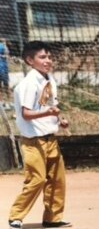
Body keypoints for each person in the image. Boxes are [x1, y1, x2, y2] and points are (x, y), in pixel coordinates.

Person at [8, 41, 71, 229]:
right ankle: (15, 216)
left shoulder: (48, 80)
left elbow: (48, 106)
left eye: (49, 57)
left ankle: (52, 219)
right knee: (36, 179)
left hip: (50, 138)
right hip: (33, 141)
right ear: (30, 60)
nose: (48, 61)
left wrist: (59, 120)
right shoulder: (28, 84)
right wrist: (49, 113)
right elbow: (26, 114)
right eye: (42, 57)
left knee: (57, 180)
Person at [0, 38, 11, 108]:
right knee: (3, 86)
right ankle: (3, 102)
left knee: (5, 85)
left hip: (3, 68)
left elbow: (7, 56)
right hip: (2, 68)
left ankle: (7, 102)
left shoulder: (3, 46)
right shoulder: (3, 46)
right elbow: (7, 56)